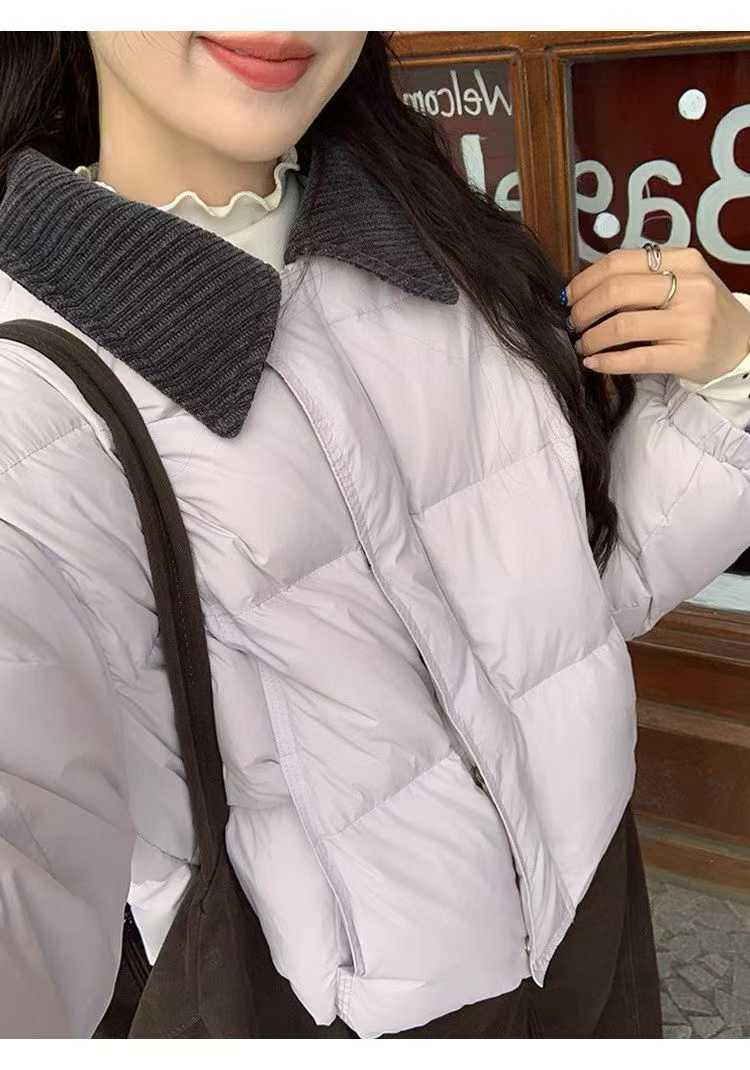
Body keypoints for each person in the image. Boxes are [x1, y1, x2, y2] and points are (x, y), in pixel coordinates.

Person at [0, 30, 748, 1041]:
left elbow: (582, 593)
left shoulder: (444, 243)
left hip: (596, 909)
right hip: (350, 1013)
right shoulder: (34, 401)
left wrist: (729, 380)